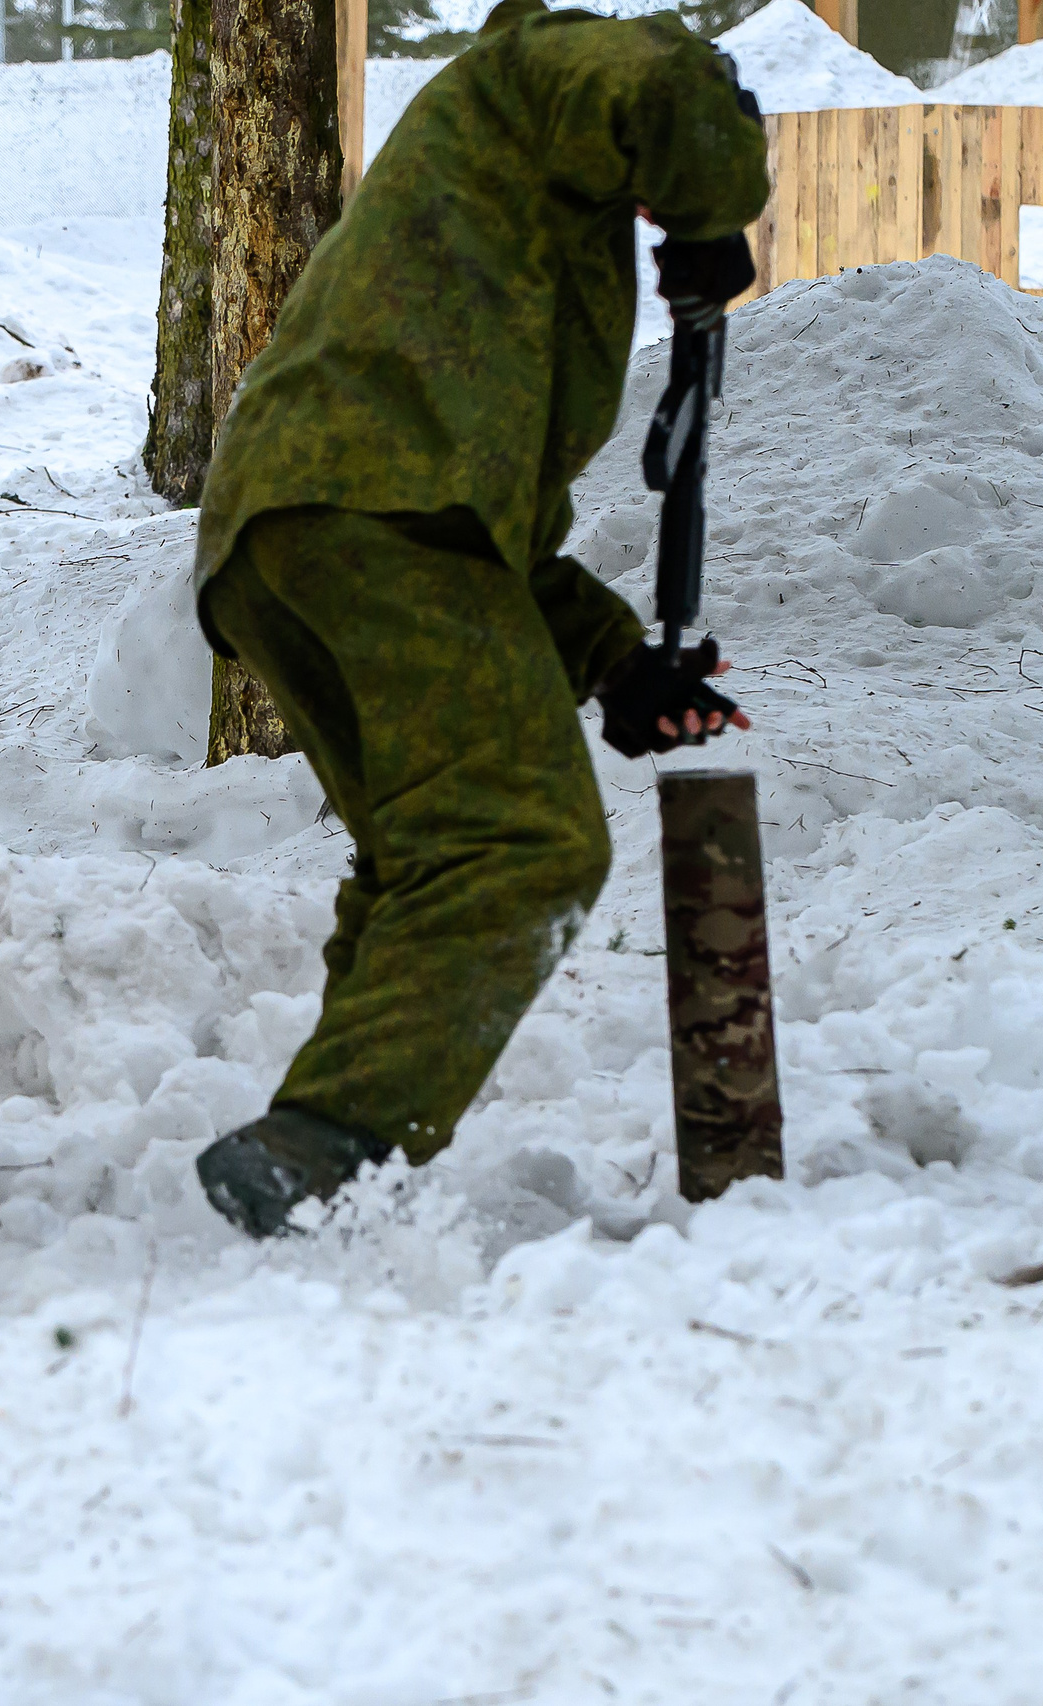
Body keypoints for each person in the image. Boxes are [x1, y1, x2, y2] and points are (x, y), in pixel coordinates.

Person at [190, 0, 770, 1236]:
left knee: (424, 860)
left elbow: (493, 548)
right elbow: (662, 87)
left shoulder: (504, 203)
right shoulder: (536, 70)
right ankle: (327, 1142)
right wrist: (717, 219)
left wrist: (617, 663)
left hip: (291, 529)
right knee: (523, 846)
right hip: (379, 509)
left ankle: (318, 1159)